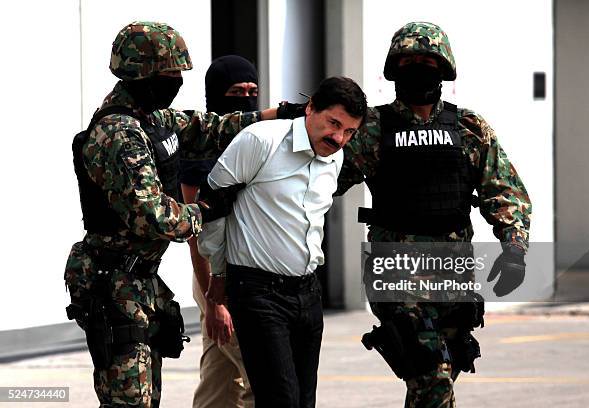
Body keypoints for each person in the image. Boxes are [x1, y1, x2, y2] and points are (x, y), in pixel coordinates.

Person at [64, 21, 278, 408]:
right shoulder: (118, 133)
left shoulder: (154, 119)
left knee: (150, 396)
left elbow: (207, 127)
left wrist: (273, 115)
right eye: (168, 73)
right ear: (139, 73)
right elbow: (156, 217)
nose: (176, 81)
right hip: (114, 283)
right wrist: (206, 209)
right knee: (130, 401)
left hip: (140, 280)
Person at [335, 22, 532, 407]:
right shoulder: (372, 129)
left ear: (443, 69)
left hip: (454, 271)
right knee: (432, 374)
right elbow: (320, 180)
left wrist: (514, 250)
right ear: (394, 69)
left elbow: (505, 192)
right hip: (396, 271)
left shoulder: (468, 128)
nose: (418, 67)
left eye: (427, 60)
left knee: (439, 376)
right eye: (408, 61)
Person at [200, 76, 368, 408]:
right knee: (280, 401)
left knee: (304, 402)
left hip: (308, 292)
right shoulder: (260, 141)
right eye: (333, 123)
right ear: (310, 109)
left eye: (349, 131)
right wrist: (218, 275)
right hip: (258, 292)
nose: (338, 137)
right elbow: (212, 205)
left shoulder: (335, 156)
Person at [180, 55, 258, 408]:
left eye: (252, 90)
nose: (246, 97)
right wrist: (215, 299)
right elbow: (197, 236)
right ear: (216, 94)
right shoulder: (202, 146)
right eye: (237, 91)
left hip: (246, 272)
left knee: (219, 380)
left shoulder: (256, 138)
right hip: (218, 276)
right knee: (263, 376)